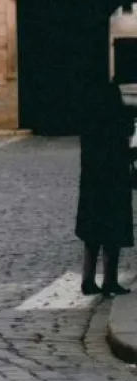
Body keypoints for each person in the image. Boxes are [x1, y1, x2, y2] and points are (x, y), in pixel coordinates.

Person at [75, 78, 134, 297]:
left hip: (92, 185)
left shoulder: (89, 122)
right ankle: (110, 279)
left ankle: (88, 279)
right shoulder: (117, 121)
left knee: (92, 235)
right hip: (115, 184)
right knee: (113, 235)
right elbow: (122, 153)